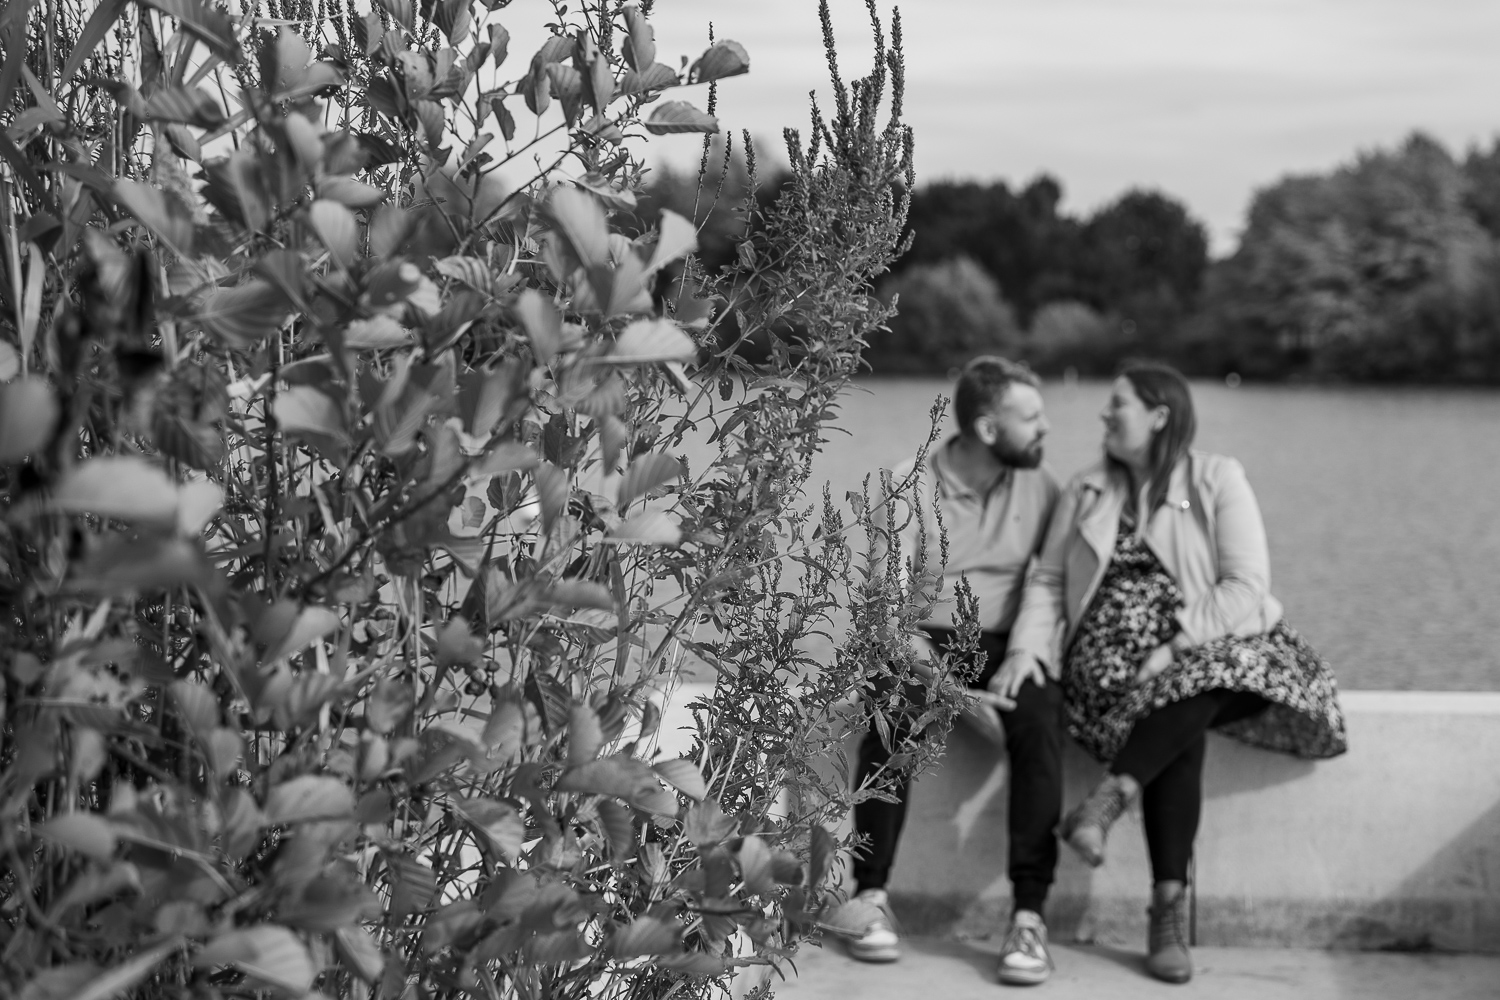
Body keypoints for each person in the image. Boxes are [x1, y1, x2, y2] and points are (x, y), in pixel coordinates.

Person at [1006, 362, 1347, 984]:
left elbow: (1246, 585)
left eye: (1119, 405)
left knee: (1189, 688)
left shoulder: (1217, 478)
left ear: (1159, 415)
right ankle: (1167, 912)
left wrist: (1176, 647)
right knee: (1181, 710)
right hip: (1107, 670)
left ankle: (1111, 800)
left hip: (1201, 649)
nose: (1104, 416)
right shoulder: (1087, 489)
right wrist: (1026, 650)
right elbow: (1049, 581)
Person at [847, 356, 1065, 986]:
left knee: (1041, 716)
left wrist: (1024, 654)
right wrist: (951, 693)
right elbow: (885, 615)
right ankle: (871, 897)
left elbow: (1048, 586)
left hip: (1003, 641)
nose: (1047, 426)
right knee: (893, 704)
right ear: (989, 429)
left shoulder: (1044, 486)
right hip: (919, 640)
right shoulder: (907, 485)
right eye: (1032, 417)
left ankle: (1029, 916)